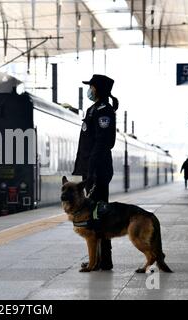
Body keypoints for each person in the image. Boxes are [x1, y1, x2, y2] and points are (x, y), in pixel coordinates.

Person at [71, 74, 119, 271]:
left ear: (97, 89)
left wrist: (91, 172)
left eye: (91, 86)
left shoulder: (104, 111)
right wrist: (81, 170)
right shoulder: (93, 110)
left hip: (97, 171)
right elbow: (86, 145)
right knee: (94, 216)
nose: (89, 90)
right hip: (91, 170)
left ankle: (103, 260)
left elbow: (101, 144)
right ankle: (98, 259)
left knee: (99, 216)